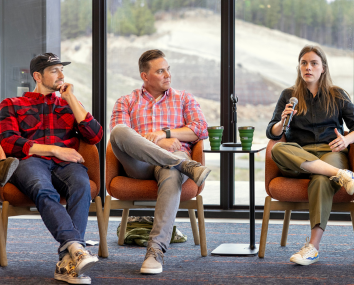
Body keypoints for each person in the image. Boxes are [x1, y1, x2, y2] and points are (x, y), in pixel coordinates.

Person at [0, 53, 103, 284]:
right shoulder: (12, 104)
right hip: (30, 162)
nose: (61, 75)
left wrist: (72, 99)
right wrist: (54, 150)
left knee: (81, 185)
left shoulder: (69, 105)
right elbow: (8, 141)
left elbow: (95, 136)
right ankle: (77, 246)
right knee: (42, 188)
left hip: (67, 165)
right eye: (54, 70)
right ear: (37, 76)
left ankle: (68, 261)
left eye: (61, 70)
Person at [109, 49, 210, 275]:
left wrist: (165, 133)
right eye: (160, 71)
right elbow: (121, 137)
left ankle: (155, 250)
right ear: (145, 76)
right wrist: (157, 144)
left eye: (168, 69)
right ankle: (183, 165)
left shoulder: (184, 98)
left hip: (171, 165)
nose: (167, 75)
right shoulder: (126, 101)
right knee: (119, 132)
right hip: (139, 164)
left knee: (171, 170)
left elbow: (200, 129)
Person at [266, 45, 354, 266]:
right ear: (299, 67)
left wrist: (346, 140)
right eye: (304, 63)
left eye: (313, 63)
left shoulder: (336, 95)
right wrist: (282, 122)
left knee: (321, 179)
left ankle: (312, 247)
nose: (308, 67)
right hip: (297, 154)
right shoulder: (288, 95)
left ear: (323, 68)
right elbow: (271, 132)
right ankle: (340, 174)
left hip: (329, 151)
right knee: (277, 149)